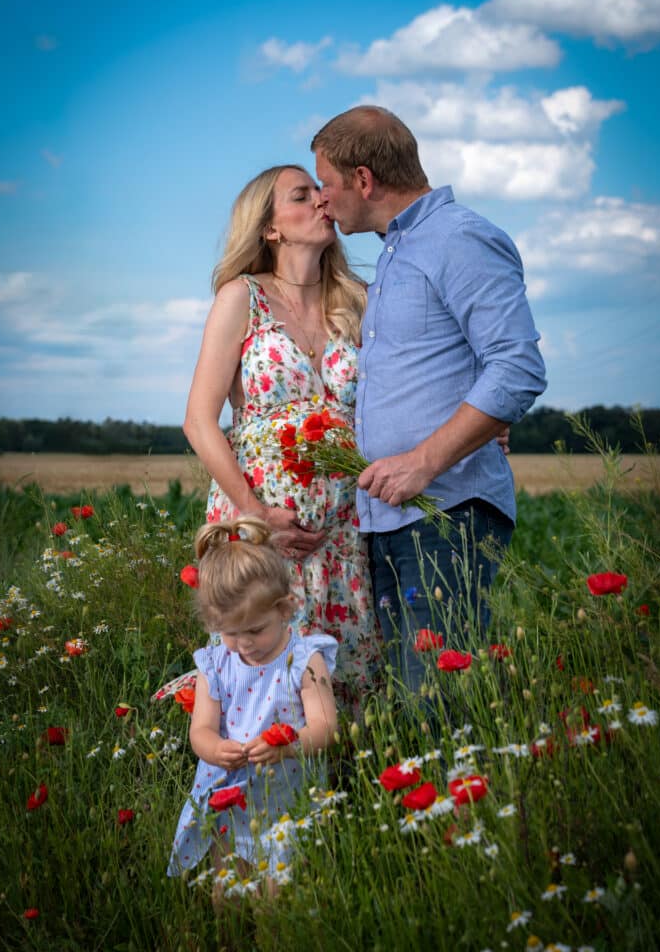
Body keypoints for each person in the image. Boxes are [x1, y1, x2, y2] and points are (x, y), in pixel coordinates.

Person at [311, 106, 547, 693]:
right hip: (390, 518)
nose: (322, 198)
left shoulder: (458, 237)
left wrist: (424, 460)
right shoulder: (394, 252)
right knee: (412, 708)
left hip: (445, 515)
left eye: (328, 183)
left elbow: (517, 366)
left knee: (438, 707)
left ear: (364, 180)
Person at [182, 165, 381, 707]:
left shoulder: (357, 298)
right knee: (261, 682)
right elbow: (199, 421)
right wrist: (257, 517)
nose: (322, 200)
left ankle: (349, 789)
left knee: (349, 684)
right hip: (261, 533)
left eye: (320, 191)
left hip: (341, 534)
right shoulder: (241, 297)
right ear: (270, 228)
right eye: (302, 195)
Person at [168, 516, 338, 886]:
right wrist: (216, 750)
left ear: (284, 608)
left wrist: (288, 746)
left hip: (288, 800)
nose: (244, 643)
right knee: (226, 887)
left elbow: (326, 728)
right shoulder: (216, 663)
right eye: (230, 632)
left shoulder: (307, 659)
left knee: (278, 897)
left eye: (256, 630)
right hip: (231, 797)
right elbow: (201, 730)